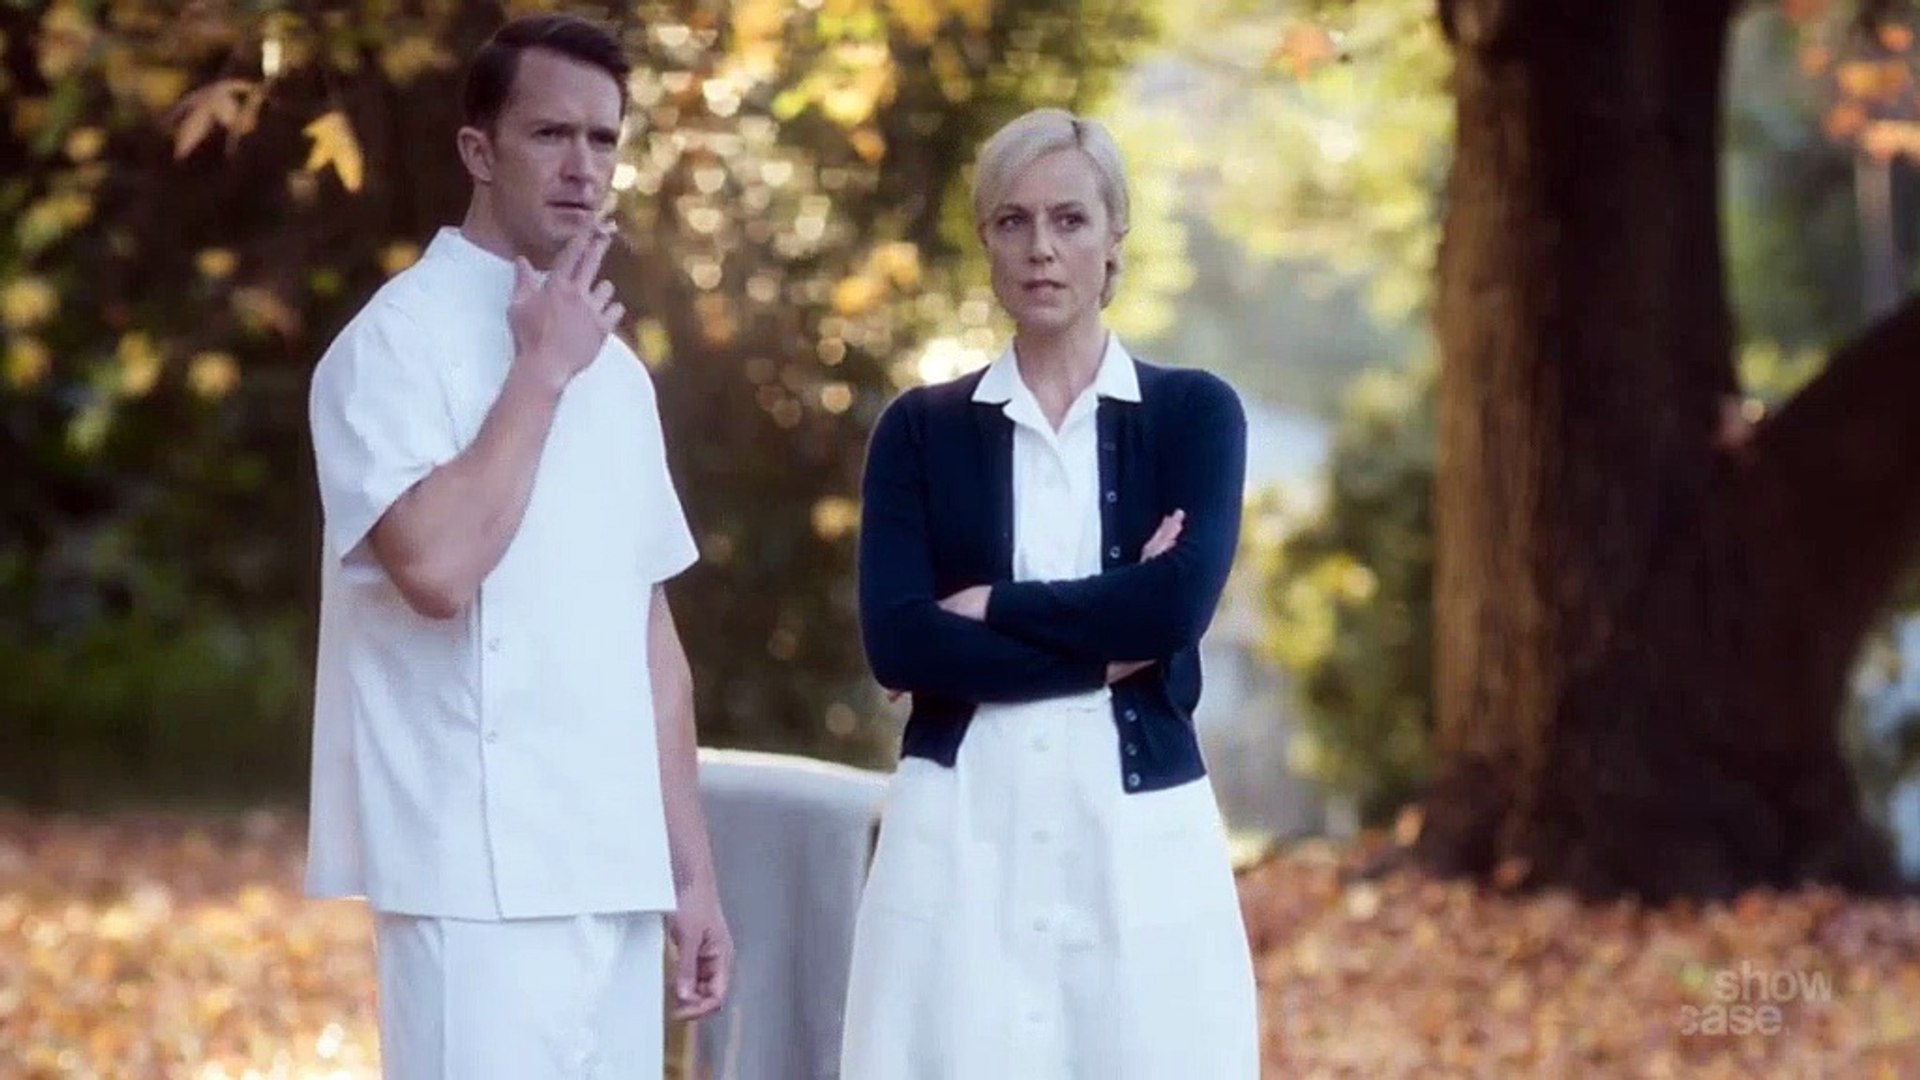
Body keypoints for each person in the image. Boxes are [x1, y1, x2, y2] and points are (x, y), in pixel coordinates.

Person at [302, 14, 731, 1077]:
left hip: (614, 869)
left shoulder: (618, 374)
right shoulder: (389, 346)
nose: (583, 167)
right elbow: (437, 571)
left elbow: (653, 647)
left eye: (603, 139)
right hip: (470, 874)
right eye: (551, 134)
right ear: (479, 151)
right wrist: (539, 374)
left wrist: (690, 878)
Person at [840, 107, 1260, 1078]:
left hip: (1136, 843)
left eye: (1070, 219)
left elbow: (1174, 610)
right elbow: (900, 645)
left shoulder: (1194, 414)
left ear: (1114, 238)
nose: (1042, 248)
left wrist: (992, 606)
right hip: (957, 833)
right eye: (1013, 221)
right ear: (986, 240)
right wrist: (1108, 643)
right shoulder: (919, 431)